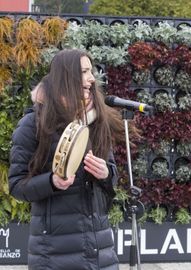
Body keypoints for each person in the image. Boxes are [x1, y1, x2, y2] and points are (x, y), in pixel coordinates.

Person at [9, 49, 126, 270]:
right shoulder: (32, 124)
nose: (92, 78)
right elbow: (17, 185)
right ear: (66, 78)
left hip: (100, 252)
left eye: (91, 71)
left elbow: (112, 180)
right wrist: (52, 182)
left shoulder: (96, 121)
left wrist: (106, 174)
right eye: (84, 72)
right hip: (53, 254)